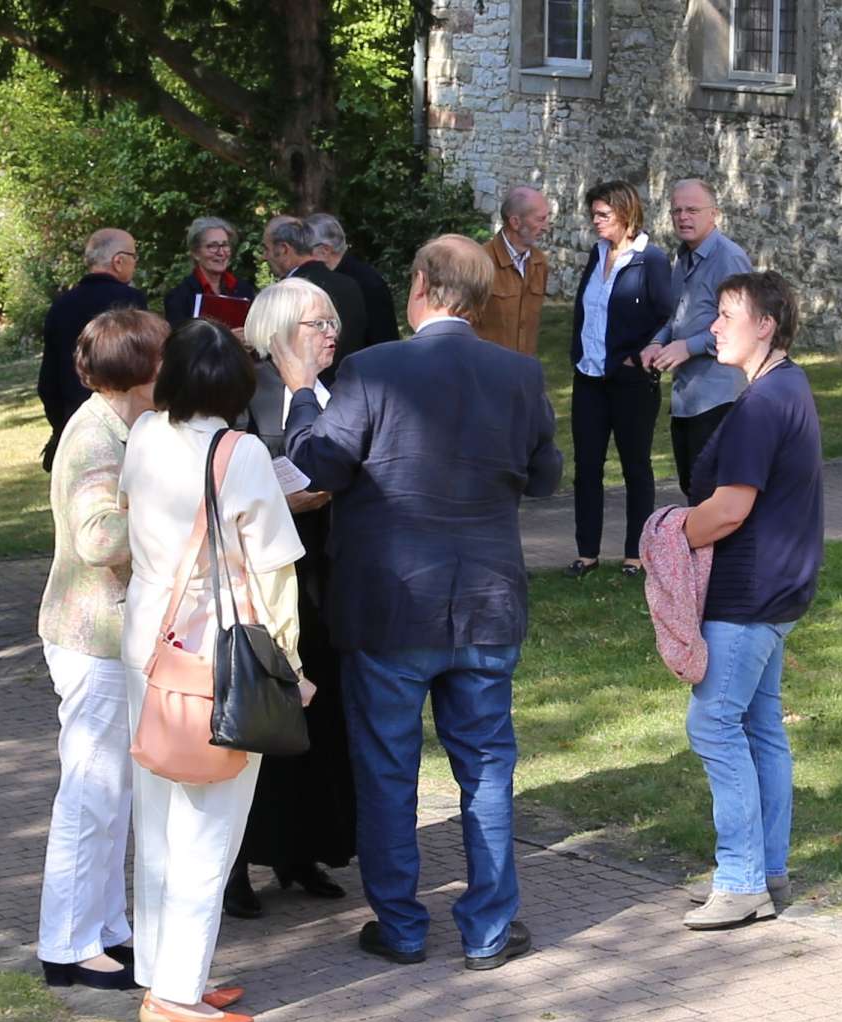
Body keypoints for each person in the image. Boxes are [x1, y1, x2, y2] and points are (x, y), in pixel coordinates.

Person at [277, 235, 562, 972]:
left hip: (391, 605)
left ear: (422, 285)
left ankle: (402, 926)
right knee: (487, 768)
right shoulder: (519, 374)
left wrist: (305, 390)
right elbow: (545, 478)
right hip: (486, 601)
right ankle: (489, 928)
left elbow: (320, 461)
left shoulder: (372, 370)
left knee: (387, 769)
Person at [120, 318, 306, 1022]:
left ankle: (163, 971)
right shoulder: (242, 452)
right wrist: (292, 665)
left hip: (150, 642)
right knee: (211, 826)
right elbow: (273, 569)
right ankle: (174, 995)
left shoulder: (143, 435)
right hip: (216, 657)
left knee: (159, 811)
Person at [678, 270, 822, 930]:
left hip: (751, 594)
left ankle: (740, 882)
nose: (713, 326)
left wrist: (671, 533)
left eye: (727, 314)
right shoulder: (784, 386)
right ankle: (765, 873)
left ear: (765, 324)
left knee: (713, 724)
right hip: (777, 588)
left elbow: (731, 510)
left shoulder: (766, 401)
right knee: (759, 726)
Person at [36, 308, 168, 991]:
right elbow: (97, 539)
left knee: (111, 793)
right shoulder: (94, 438)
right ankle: (67, 944)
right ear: (137, 369)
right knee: (92, 791)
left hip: (109, 634)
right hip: (93, 636)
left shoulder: (123, 424)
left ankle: (107, 930)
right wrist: (170, 512)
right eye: (162, 356)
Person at [225, 278, 357, 919]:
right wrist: (283, 499)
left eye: (334, 322)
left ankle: (300, 851)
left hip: (327, 580)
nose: (331, 334)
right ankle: (236, 866)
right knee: (260, 716)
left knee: (318, 718)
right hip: (265, 581)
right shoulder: (242, 393)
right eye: (316, 324)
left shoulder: (347, 388)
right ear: (276, 330)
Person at [567, 180, 675, 579]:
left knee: (635, 466)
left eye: (603, 215)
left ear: (626, 216)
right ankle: (587, 551)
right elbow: (586, 312)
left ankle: (636, 553)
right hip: (589, 377)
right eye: (593, 214)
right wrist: (578, 355)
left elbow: (667, 316)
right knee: (587, 466)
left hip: (631, 382)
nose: (595, 222)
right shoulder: (596, 255)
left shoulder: (652, 260)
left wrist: (637, 357)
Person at [640, 179, 755, 502]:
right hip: (686, 399)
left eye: (692, 209)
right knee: (692, 486)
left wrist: (686, 347)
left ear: (714, 214)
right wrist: (657, 343)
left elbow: (743, 326)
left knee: (712, 494)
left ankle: (720, 554)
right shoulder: (683, 258)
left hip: (719, 396)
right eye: (677, 210)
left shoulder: (728, 258)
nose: (683, 217)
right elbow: (676, 317)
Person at [39, 228, 147, 470]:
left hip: (75, 421)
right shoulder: (131, 302)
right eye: (134, 256)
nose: (135, 263)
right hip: (123, 423)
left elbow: (48, 381)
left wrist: (61, 426)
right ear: (118, 261)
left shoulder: (60, 306)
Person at [260, 216, 369, 376]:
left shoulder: (288, 293)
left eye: (266, 249)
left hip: (306, 390)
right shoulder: (349, 284)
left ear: (284, 249)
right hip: (350, 386)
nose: (264, 256)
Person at [475, 185, 552, 358]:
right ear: (515, 222)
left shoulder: (540, 263)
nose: (547, 227)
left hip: (523, 372)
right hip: (487, 372)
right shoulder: (479, 263)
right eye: (540, 219)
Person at [307, 213, 399, 346]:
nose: (302, 256)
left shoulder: (365, 282)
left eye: (306, 250)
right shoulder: (343, 276)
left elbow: (383, 339)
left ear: (324, 251)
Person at [163, 217, 256, 328]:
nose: (221, 252)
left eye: (225, 245)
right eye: (212, 246)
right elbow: (181, 341)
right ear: (195, 253)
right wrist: (227, 338)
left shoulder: (244, 290)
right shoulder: (179, 297)